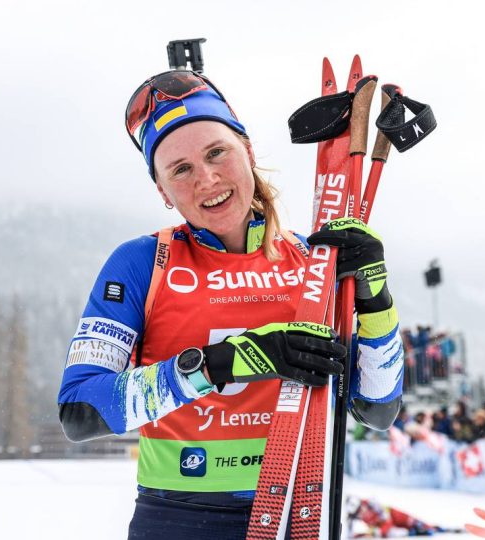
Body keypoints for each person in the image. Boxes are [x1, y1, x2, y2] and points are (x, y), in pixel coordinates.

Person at [57, 69, 404, 540]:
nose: (207, 178)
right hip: (177, 518)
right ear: (163, 191)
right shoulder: (144, 262)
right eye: (180, 169)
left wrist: (375, 299)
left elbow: (377, 408)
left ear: (248, 152)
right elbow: (80, 409)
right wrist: (225, 362)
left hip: (298, 511)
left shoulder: (314, 260)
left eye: (216, 152)